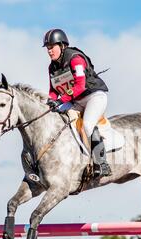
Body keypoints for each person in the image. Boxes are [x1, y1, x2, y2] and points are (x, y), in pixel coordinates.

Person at [43, 28, 112, 178]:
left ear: (62, 46)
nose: (49, 51)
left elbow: (80, 86)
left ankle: (102, 163)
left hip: (94, 97)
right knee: (55, 116)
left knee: (87, 125)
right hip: (76, 100)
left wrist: (60, 100)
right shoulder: (52, 67)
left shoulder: (75, 59)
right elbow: (53, 90)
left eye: (52, 47)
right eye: (47, 48)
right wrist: (50, 102)